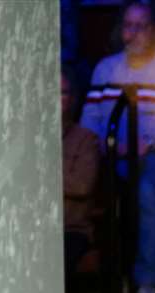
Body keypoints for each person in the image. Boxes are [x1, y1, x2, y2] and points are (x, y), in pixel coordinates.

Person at [79, 1, 155, 293]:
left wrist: (148, 142)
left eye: (141, 26)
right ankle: (110, 285)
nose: (134, 33)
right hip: (114, 157)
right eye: (129, 25)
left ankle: (147, 286)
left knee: (144, 189)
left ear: (153, 30)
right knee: (116, 190)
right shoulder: (106, 69)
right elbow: (90, 123)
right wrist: (110, 147)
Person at [61, 73, 101, 276]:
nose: (57, 97)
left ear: (72, 99)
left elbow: (82, 185)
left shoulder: (85, 140)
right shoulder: (27, 138)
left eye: (63, 92)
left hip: (70, 231)